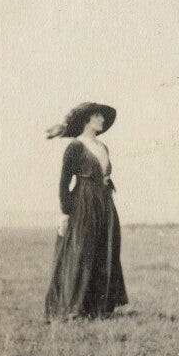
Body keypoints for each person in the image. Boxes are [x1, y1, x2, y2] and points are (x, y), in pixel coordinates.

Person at [43, 102, 128, 321]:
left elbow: (103, 175)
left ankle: (98, 307)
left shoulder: (103, 147)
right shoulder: (75, 147)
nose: (102, 120)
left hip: (104, 203)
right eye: (98, 116)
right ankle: (73, 307)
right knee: (81, 251)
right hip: (83, 202)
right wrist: (66, 212)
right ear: (87, 120)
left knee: (105, 249)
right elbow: (64, 181)